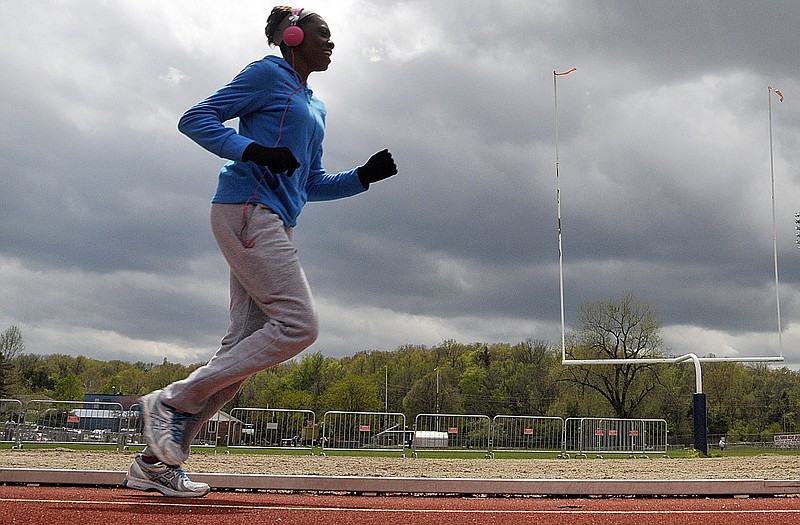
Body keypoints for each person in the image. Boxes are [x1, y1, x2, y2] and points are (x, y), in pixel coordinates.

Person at [123, 6, 397, 498]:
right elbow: (196, 119)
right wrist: (251, 150)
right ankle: (170, 401)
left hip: (275, 221)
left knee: (241, 352)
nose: (332, 44)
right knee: (298, 325)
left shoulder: (315, 105)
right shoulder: (267, 74)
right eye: (324, 35)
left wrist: (362, 178)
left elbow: (309, 181)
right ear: (293, 37)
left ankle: (153, 464)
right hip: (246, 208)